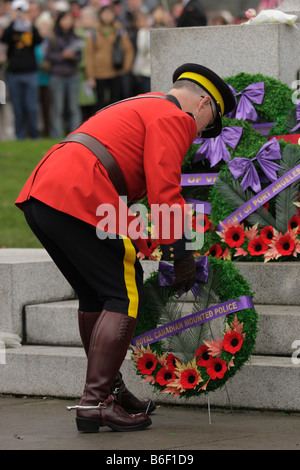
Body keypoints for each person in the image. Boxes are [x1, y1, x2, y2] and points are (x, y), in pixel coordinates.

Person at [15, 63, 235, 433]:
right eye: (208, 125)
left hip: (47, 192)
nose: (198, 135)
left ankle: (108, 391)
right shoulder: (177, 117)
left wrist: (151, 243)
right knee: (122, 291)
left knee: (95, 294)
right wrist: (182, 254)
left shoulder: (145, 102)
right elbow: (165, 190)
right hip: (82, 191)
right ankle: (96, 401)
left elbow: (129, 187)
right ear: (202, 104)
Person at [1, 0, 42, 139]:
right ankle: (20, 136)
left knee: (32, 107)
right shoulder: (11, 27)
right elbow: (5, 38)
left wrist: (30, 24)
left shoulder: (30, 26)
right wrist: (13, 21)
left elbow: (38, 40)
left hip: (30, 72)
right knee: (17, 108)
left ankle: (35, 136)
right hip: (14, 73)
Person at [85, 3, 134, 109]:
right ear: (100, 15)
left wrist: (125, 68)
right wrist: (90, 76)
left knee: (115, 103)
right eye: (105, 13)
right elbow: (89, 55)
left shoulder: (119, 30)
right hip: (98, 73)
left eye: (110, 13)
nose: (107, 16)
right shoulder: (93, 32)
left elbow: (129, 50)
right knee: (100, 103)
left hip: (115, 71)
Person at [45, 10, 82, 138]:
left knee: (73, 108)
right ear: (59, 21)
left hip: (72, 75)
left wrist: (72, 56)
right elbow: (48, 55)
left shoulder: (76, 38)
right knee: (57, 108)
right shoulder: (53, 37)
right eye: (64, 19)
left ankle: (76, 136)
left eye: (69, 19)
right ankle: (57, 135)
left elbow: (79, 58)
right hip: (57, 75)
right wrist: (62, 56)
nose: (67, 22)